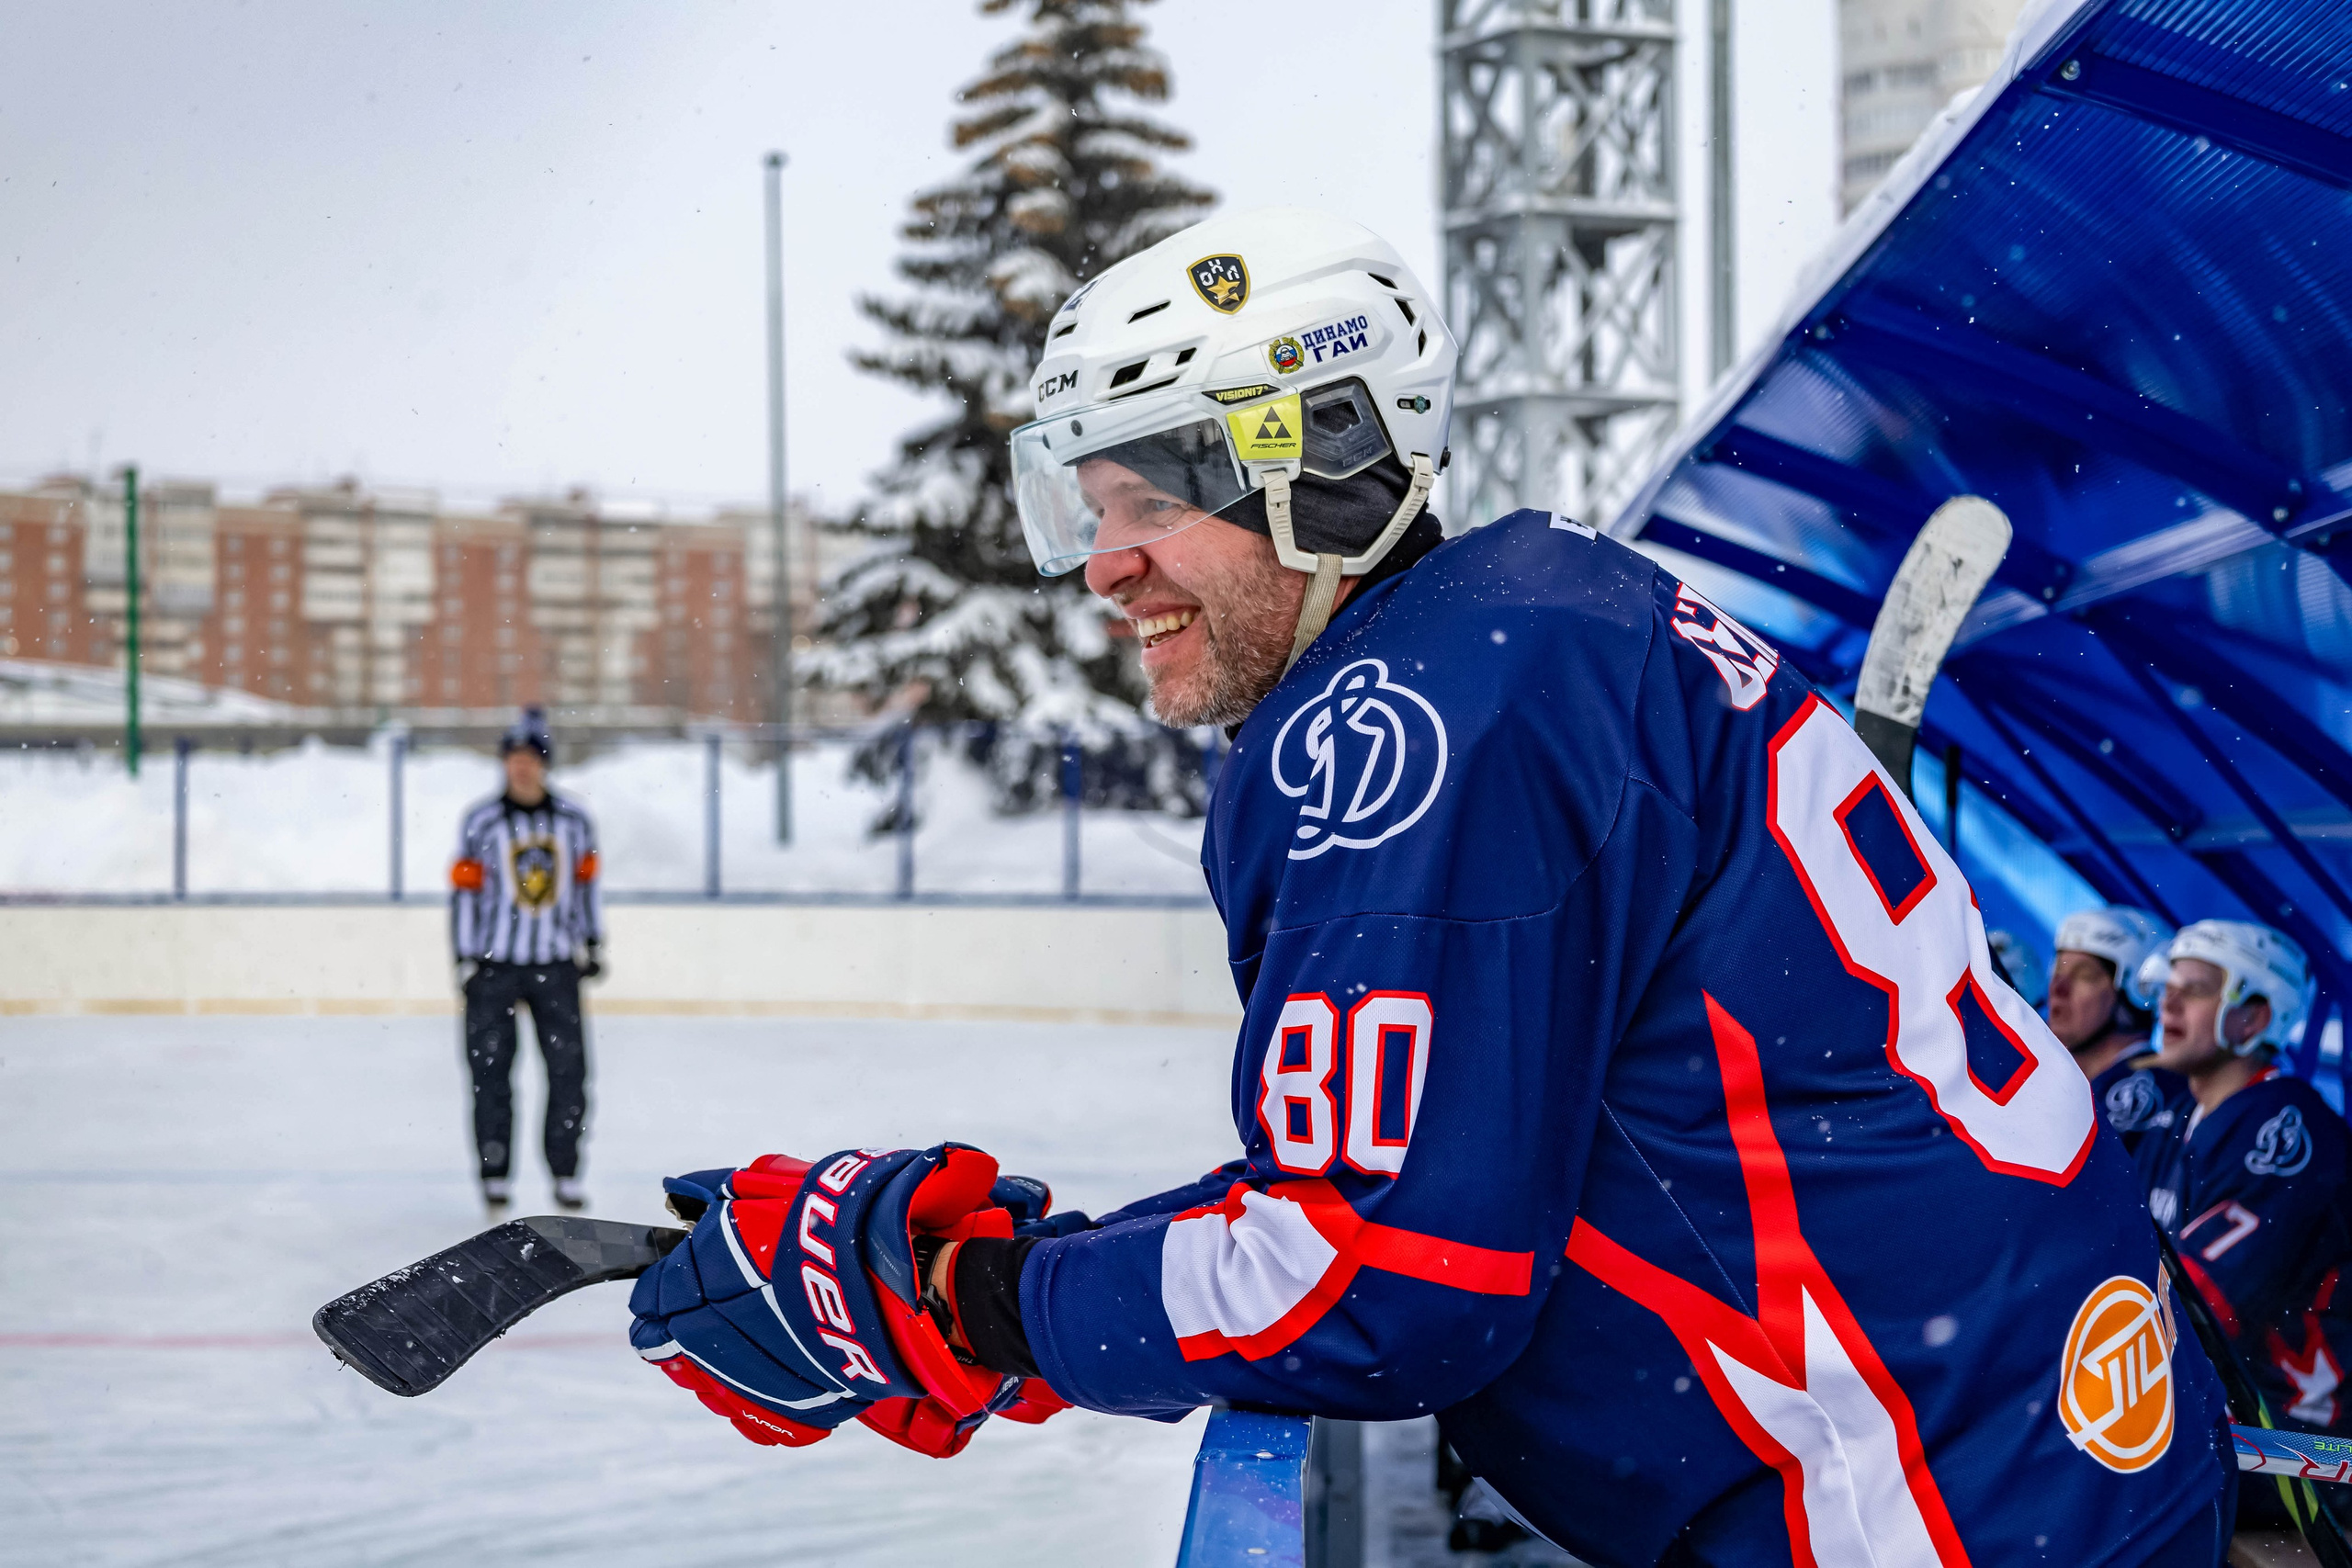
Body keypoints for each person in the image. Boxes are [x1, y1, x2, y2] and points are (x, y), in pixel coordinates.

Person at [625, 210, 2233, 1564]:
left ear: (1316, 464)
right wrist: (1042, 1277)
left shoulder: (1412, 716)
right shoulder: (1546, 625)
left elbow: (1393, 1275)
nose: (1103, 565)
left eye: (1150, 502)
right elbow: (1418, 1178)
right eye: (1086, 509)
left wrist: (980, 1305)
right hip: (2052, 1438)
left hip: (1920, 1495)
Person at [2140, 919, 2350, 1439]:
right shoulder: (2181, 1114)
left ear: (2254, 1017)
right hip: (2217, 1418)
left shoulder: (2286, 1127)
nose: (2169, 1005)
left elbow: (2194, 1311)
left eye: (2195, 990)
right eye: (2168, 988)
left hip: (2299, 1444)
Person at [450, 705, 603, 1214]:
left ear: (545, 764)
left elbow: (586, 888)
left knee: (569, 1071)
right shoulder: (480, 821)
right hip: (493, 966)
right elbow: (465, 895)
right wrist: (465, 957)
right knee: (490, 1072)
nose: (522, 766)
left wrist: (593, 942)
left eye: (531, 758)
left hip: (556, 965)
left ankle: (565, 1171)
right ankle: (494, 1173)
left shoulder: (576, 822)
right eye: (513, 757)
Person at [2047, 907, 2192, 1156]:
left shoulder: (2160, 1093)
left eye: (2085, 975)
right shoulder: (2047, 1078)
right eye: (2059, 969)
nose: (2059, 987)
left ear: (2138, 993)